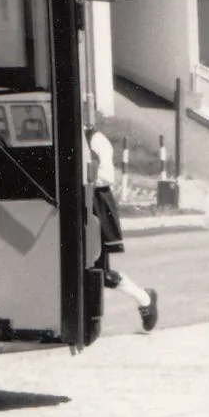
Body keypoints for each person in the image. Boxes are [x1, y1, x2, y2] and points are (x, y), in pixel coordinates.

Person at [88, 123, 158, 331]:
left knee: (99, 272)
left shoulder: (95, 140)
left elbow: (107, 177)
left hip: (94, 206)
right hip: (73, 205)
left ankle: (144, 299)